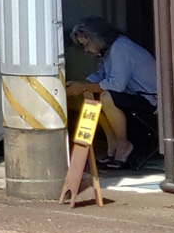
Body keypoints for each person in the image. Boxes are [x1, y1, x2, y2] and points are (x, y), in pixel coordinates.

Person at [66, 16, 158, 168]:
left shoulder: (121, 48)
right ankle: (112, 146)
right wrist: (82, 85)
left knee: (106, 96)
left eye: (86, 45)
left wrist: (83, 86)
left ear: (96, 38)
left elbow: (116, 85)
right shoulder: (107, 52)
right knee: (91, 95)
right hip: (135, 96)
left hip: (151, 100)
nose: (86, 50)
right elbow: (100, 76)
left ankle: (123, 144)